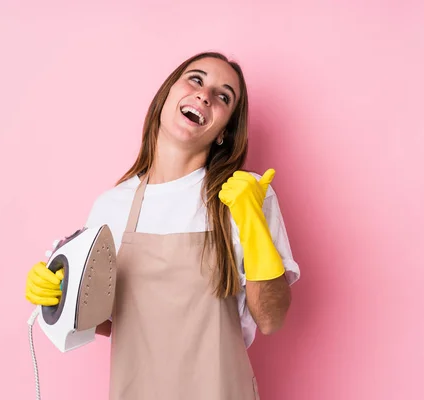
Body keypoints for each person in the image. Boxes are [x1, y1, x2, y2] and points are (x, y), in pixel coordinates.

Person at [24, 51, 301, 399]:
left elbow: (272, 319)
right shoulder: (111, 206)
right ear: (167, 95)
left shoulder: (248, 194)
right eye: (196, 80)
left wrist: (252, 221)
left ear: (224, 132)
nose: (205, 95)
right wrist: (59, 298)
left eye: (223, 96)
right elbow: (110, 320)